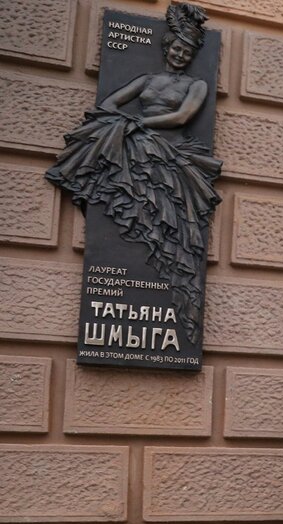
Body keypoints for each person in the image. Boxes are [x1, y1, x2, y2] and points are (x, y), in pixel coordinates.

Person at [45, 2, 221, 343]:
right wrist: (126, 122)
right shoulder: (147, 79)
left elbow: (182, 118)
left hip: (174, 152)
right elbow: (109, 104)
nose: (181, 55)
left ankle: (175, 293)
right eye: (177, 48)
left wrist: (138, 123)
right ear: (168, 48)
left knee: (174, 224)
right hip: (138, 142)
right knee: (109, 136)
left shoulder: (196, 85)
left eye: (188, 51)